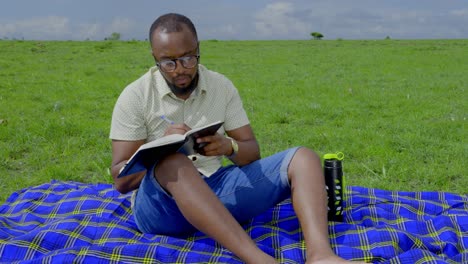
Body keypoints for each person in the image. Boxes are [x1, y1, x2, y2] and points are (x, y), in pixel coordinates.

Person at [110, 13, 361, 264]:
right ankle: (259, 259)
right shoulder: (135, 96)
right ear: (155, 58)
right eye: (169, 63)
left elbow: (252, 152)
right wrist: (158, 150)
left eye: (188, 58)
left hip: (216, 189)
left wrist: (229, 146)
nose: (180, 70)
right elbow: (121, 180)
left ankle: (320, 254)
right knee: (174, 164)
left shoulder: (221, 86)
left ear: (198, 50)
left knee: (303, 158)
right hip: (161, 209)